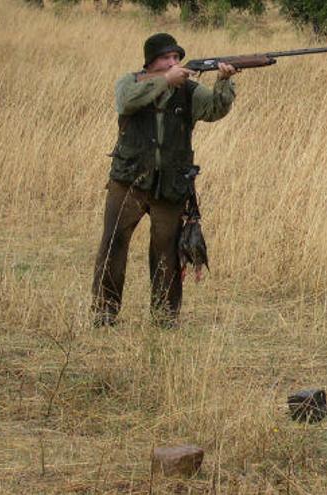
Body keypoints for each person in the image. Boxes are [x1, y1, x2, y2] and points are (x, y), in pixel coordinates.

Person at [92, 32, 238, 327]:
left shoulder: (189, 91)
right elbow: (126, 103)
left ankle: (165, 316)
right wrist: (165, 81)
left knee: (167, 251)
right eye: (167, 58)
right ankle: (105, 311)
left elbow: (214, 109)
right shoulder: (130, 83)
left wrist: (223, 81)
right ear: (150, 62)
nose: (174, 63)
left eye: (177, 58)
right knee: (113, 244)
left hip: (171, 183)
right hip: (129, 179)